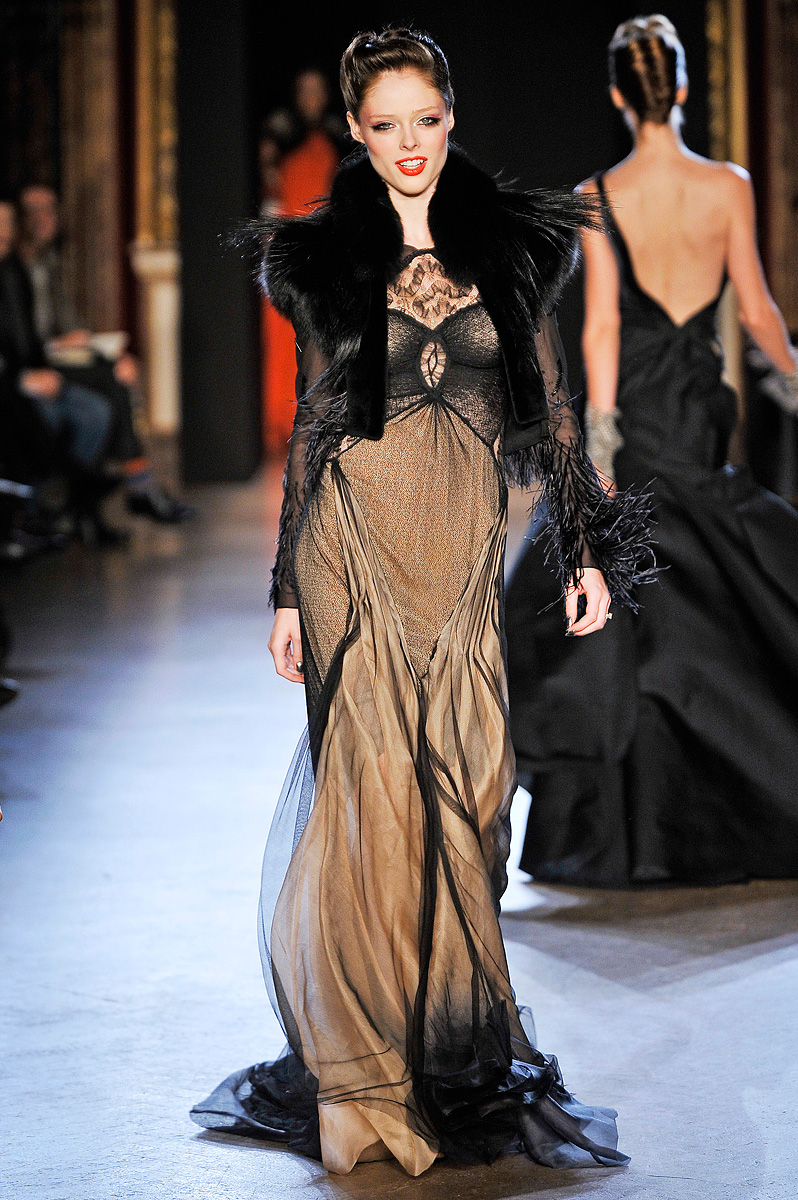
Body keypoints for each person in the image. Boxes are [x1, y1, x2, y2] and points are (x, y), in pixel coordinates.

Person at [191, 27, 653, 1176]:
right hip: (353, 547)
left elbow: (550, 408)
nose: (409, 144)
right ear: (356, 129)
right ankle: (364, 1080)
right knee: (373, 799)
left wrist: (583, 549)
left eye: (427, 120)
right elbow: (312, 426)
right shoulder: (321, 261)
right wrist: (288, 588)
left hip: (460, 554)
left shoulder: (515, 245)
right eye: (386, 124)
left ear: (451, 116)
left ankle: (440, 1045)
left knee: (471, 794)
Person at [506, 15, 798, 887]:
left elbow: (599, 326)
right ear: (681, 87)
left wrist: (598, 442)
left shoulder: (598, 191)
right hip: (695, 408)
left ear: (615, 96)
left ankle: (633, 828)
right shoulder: (729, 185)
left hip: (639, 406)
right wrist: (794, 377)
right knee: (719, 578)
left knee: (639, 594)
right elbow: (755, 309)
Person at [16, 185, 194, 525]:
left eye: (49, 209)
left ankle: (98, 507)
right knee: (108, 388)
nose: (42, 219)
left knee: (116, 375)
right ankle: (133, 488)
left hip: (54, 359)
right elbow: (25, 341)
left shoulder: (49, 265)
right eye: (32, 211)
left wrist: (93, 347)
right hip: (33, 368)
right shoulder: (15, 270)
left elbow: (67, 326)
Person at [259, 70, 344, 454]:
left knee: (327, 333)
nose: (312, 97)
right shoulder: (278, 133)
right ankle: (283, 422)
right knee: (284, 336)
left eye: (317, 89)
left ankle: (327, 421)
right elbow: (270, 187)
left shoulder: (338, 133)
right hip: (289, 245)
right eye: (305, 90)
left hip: (326, 246)